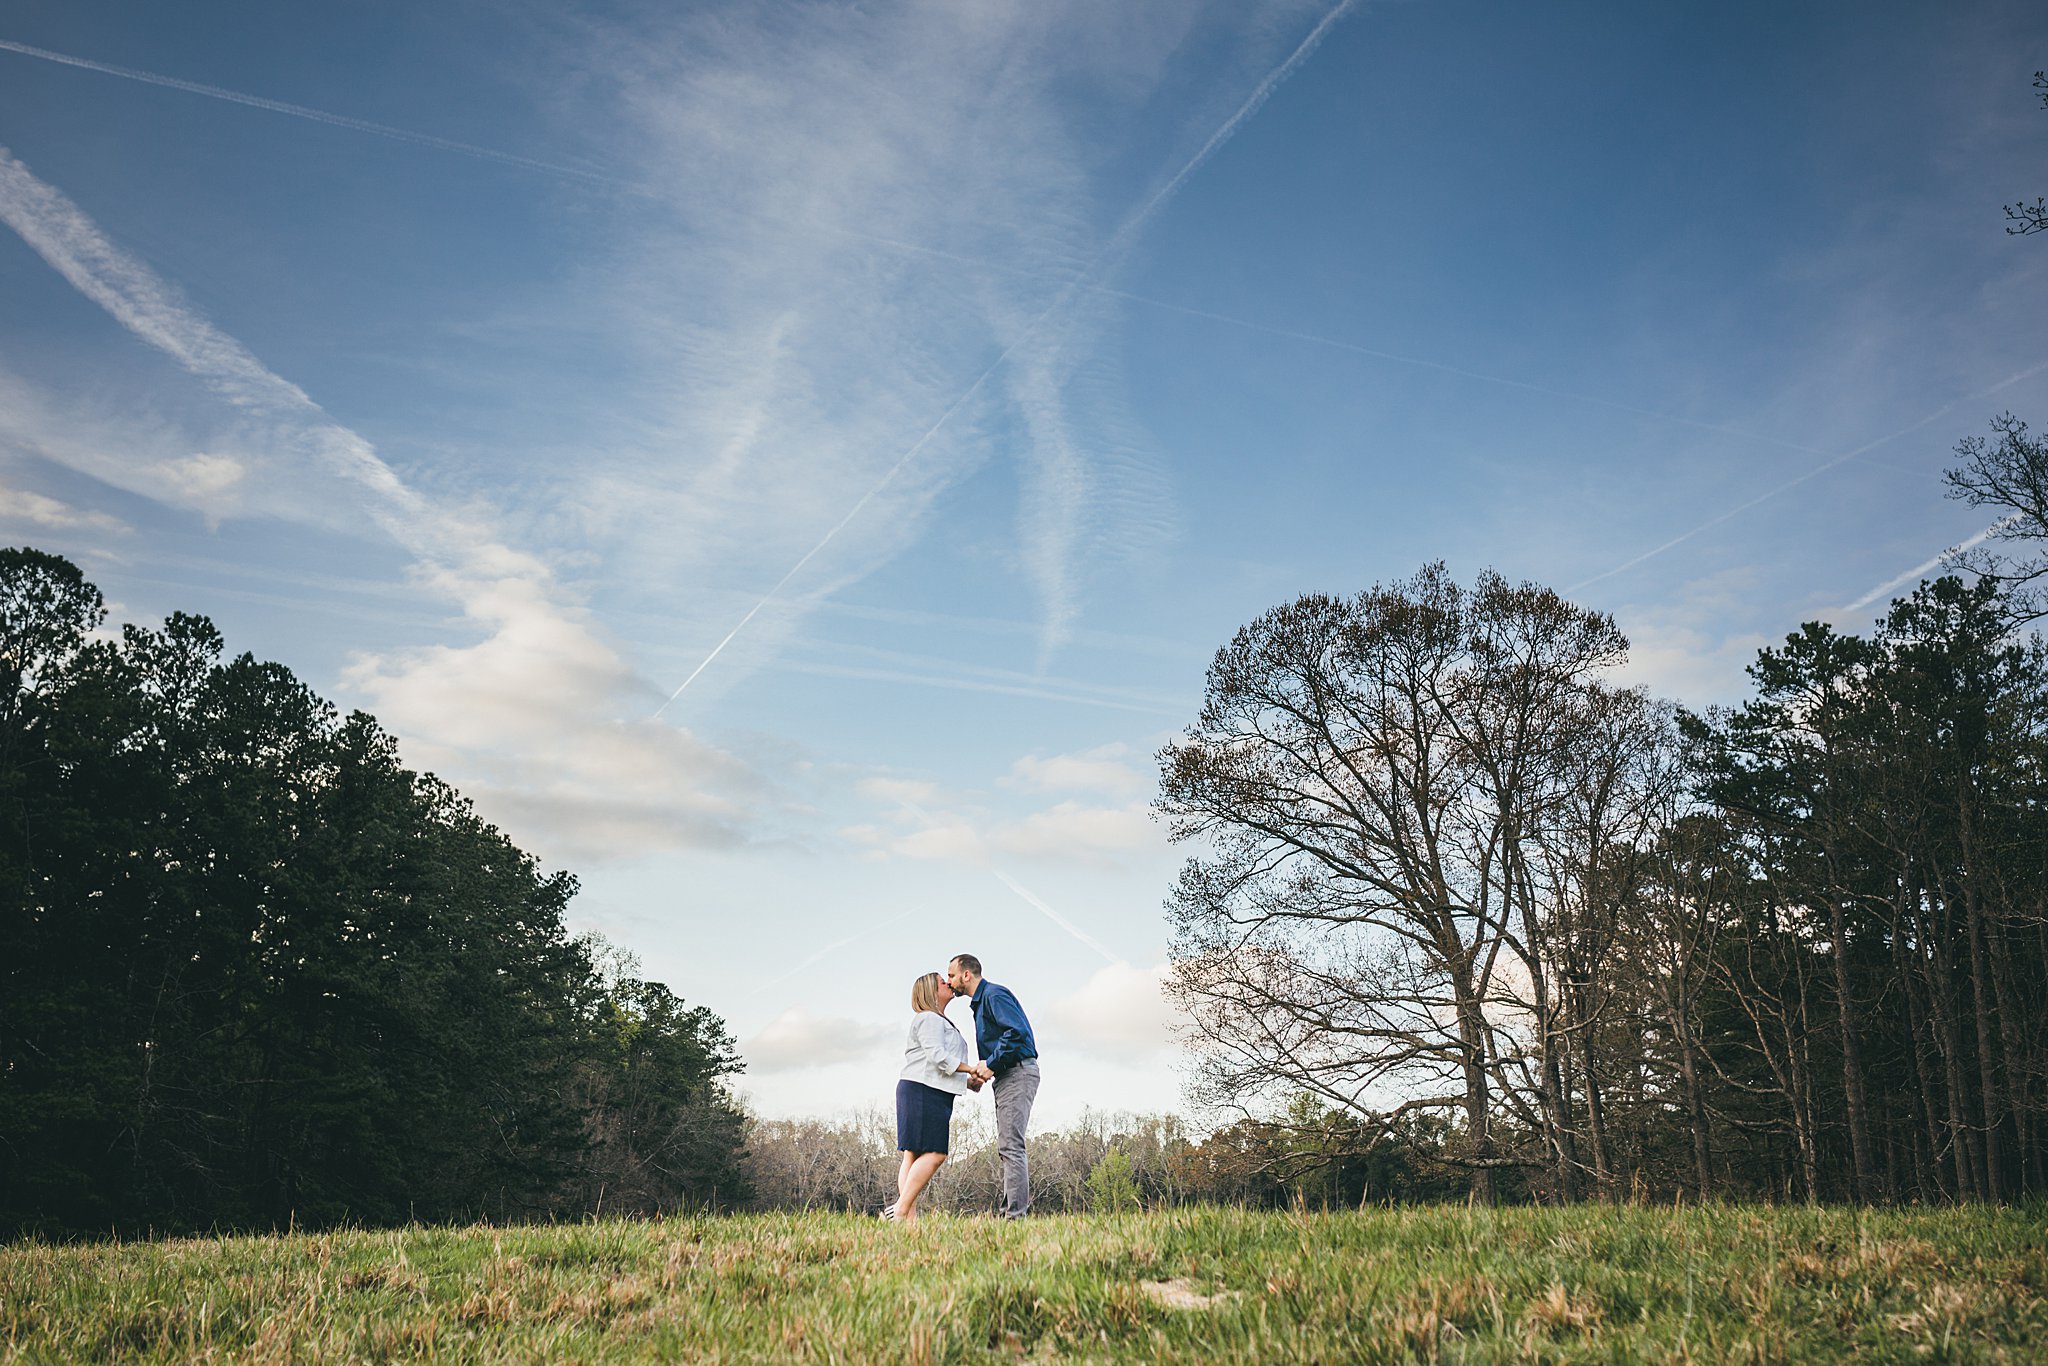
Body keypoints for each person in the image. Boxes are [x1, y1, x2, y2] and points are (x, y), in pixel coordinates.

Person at [946, 953, 1039, 1218]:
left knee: (1011, 1146)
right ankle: (1007, 1213)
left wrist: (991, 1063)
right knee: (1007, 1146)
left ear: (966, 974)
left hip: (1018, 1072)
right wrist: (985, 1071)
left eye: (951, 975)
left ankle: (1014, 1217)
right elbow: (1003, 1042)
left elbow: (1017, 1032)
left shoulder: (994, 995)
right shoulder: (981, 1002)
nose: (949, 981)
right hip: (1007, 1074)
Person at [890, 971, 982, 1224]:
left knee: (913, 1155)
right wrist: (970, 1068)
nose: (949, 983)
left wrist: (967, 1082)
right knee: (935, 1153)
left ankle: (909, 1221)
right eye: (943, 982)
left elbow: (938, 1065)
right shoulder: (929, 1018)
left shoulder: (939, 1020)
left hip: (928, 1088)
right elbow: (938, 1056)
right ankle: (899, 1210)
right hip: (922, 1089)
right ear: (931, 991)